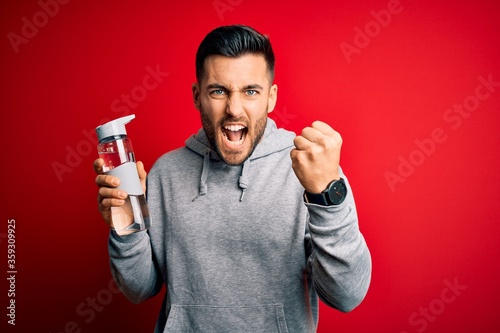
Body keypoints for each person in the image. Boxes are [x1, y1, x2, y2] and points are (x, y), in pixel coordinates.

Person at [94, 24, 371, 333]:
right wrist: (126, 224)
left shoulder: (309, 172)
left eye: (250, 91)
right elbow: (139, 289)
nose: (234, 109)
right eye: (218, 91)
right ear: (198, 97)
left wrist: (327, 195)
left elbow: (347, 295)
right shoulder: (165, 174)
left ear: (271, 97)